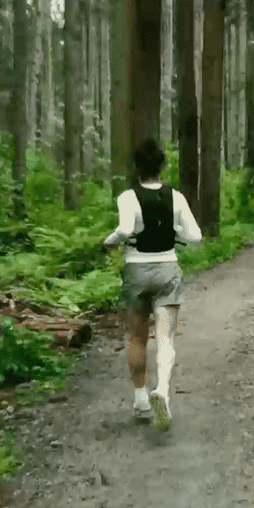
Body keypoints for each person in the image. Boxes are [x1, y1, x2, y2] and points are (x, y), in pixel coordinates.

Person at [102, 139, 202, 431]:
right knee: (166, 337)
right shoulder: (176, 197)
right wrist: (175, 230)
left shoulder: (127, 197)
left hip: (136, 270)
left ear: (137, 167)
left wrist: (109, 242)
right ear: (162, 166)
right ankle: (163, 392)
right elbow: (196, 237)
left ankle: (141, 399)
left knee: (137, 338)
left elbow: (125, 229)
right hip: (167, 269)